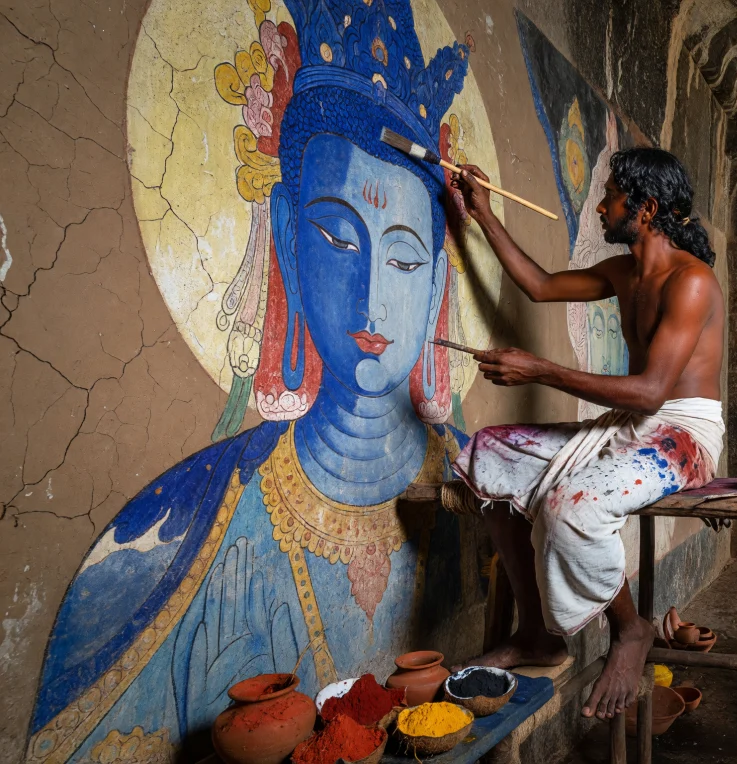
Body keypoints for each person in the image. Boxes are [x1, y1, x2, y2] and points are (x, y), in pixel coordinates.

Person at [27, 4, 477, 760]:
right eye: (337, 237)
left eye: (403, 257)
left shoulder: (484, 482)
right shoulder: (175, 535)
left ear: (437, 285)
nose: (373, 296)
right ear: (290, 251)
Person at [447, 147, 726, 722]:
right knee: (488, 457)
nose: (600, 208)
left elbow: (652, 393)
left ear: (645, 208)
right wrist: (480, 212)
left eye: (611, 197)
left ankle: (630, 630)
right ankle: (536, 634)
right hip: (632, 425)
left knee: (572, 506)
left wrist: (541, 369)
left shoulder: (691, 281)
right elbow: (541, 286)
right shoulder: (625, 271)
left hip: (682, 434)